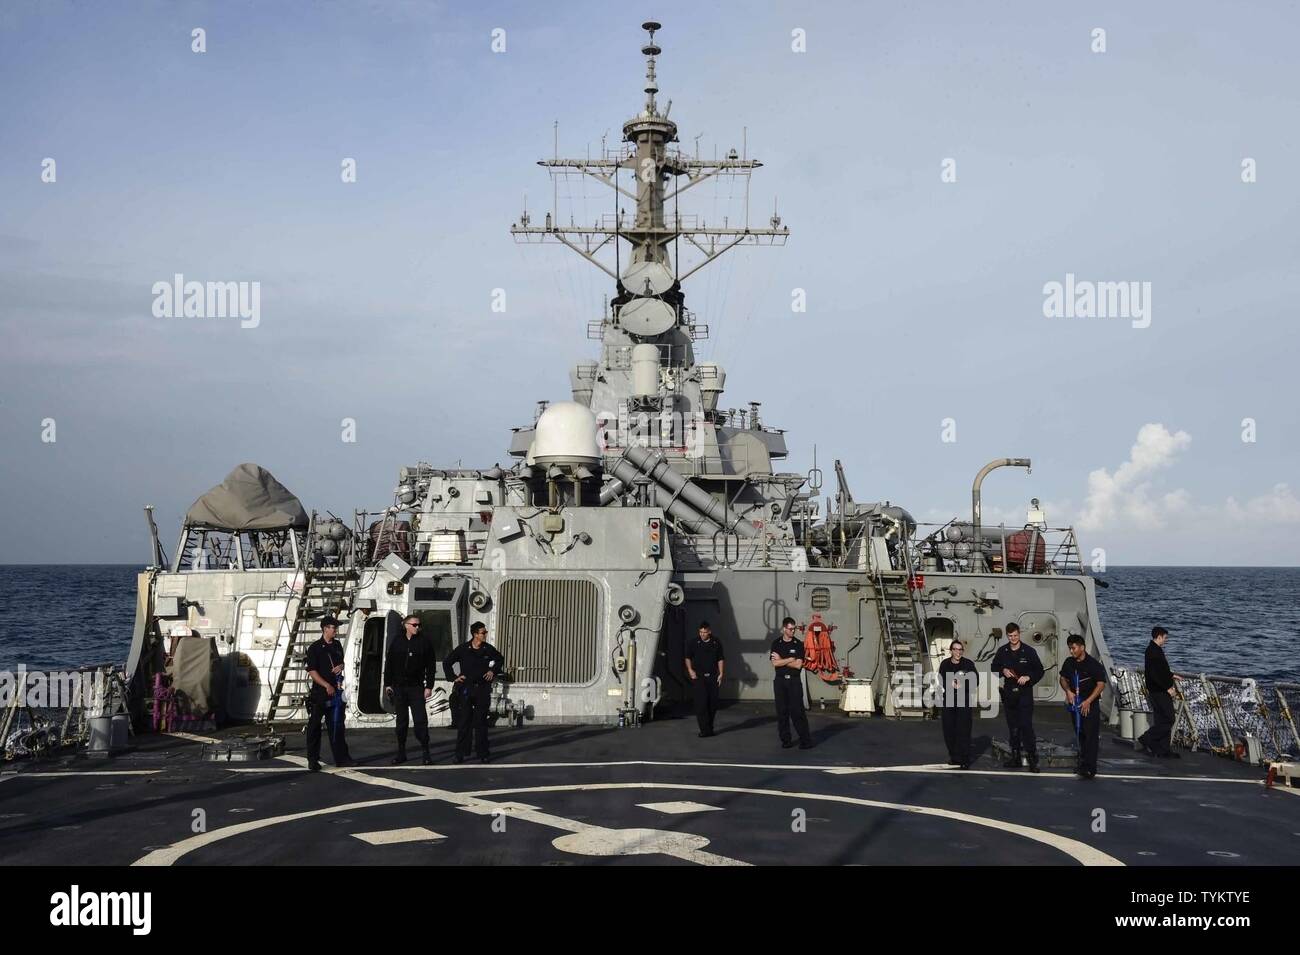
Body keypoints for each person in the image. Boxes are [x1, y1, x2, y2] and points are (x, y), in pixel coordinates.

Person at [442, 622, 505, 763]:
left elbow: (500, 659)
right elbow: (447, 662)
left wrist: (492, 671)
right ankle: (461, 753)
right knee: (464, 722)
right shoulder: (463, 649)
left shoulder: (488, 649)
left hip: (482, 689)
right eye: (483, 632)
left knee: (481, 722)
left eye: (486, 632)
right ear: (475, 634)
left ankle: (483, 753)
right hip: (466, 688)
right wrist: (454, 677)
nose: (485, 634)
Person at [384, 614, 438, 765]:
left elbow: (431, 666)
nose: (417, 627)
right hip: (399, 688)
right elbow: (389, 664)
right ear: (406, 625)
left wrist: (429, 686)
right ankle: (401, 752)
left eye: (419, 625)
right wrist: (387, 684)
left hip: (416, 688)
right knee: (401, 722)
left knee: (421, 721)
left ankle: (426, 752)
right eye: (414, 625)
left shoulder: (425, 642)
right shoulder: (397, 641)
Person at [990, 622, 1043, 772]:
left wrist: (1028, 677)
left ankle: (1033, 759)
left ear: (1019, 634)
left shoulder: (1029, 651)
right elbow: (994, 667)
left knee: (1026, 726)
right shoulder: (1003, 651)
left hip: (1024, 693)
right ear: (1007, 636)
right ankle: (1015, 758)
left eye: (1015, 635)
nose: (1013, 638)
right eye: (1010, 636)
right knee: (1013, 727)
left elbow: (1039, 671)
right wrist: (1003, 670)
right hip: (1009, 693)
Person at [304, 616, 354, 771]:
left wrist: (341, 666)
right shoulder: (315, 648)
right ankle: (313, 760)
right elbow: (312, 671)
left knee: (337, 726)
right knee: (314, 727)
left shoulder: (337, 645)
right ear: (325, 628)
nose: (336, 630)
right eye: (333, 627)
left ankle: (342, 758)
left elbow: (341, 662)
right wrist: (326, 685)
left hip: (336, 692)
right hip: (320, 693)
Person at [1060, 634, 1108, 779]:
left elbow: (1101, 684)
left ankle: (1090, 768)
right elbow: (1063, 678)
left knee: (1090, 736)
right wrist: (1068, 691)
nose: (1071, 651)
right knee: (1080, 734)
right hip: (1075, 703)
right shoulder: (1069, 662)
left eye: (1073, 648)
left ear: (1082, 647)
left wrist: (1088, 701)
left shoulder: (1093, 665)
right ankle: (1082, 764)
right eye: (1070, 648)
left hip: (1089, 705)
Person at [771, 617, 813, 750]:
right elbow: (774, 663)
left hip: (794, 682)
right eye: (790, 629)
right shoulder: (776, 643)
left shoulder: (798, 644)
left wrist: (783, 659)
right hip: (780, 681)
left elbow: (798, 665)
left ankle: (805, 740)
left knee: (797, 711)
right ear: (784, 629)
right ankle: (786, 740)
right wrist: (790, 659)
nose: (793, 631)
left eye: (794, 628)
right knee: (782, 712)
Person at [1138, 625, 1178, 758]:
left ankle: (1163, 750)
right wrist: (1167, 688)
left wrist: (1171, 675)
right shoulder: (1154, 652)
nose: (1165, 640)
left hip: (1155, 691)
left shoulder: (1153, 650)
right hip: (1159, 691)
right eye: (1165, 638)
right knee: (1169, 719)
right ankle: (1147, 737)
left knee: (1161, 720)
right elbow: (1155, 674)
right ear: (1159, 636)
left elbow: (1160, 670)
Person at [937, 639, 977, 769]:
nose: (958, 652)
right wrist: (950, 684)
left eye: (960, 650)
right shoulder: (945, 664)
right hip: (948, 701)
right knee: (949, 730)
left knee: (963, 730)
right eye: (955, 649)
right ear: (951, 651)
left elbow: (975, 680)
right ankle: (954, 757)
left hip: (963, 701)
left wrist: (963, 684)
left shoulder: (968, 664)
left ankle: (964, 759)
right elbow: (941, 680)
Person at [684, 621, 725, 737]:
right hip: (699, 677)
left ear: (709, 632)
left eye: (705, 632)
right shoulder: (693, 643)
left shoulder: (716, 642)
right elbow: (687, 657)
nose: (702, 634)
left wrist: (721, 673)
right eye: (700, 632)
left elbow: (720, 659)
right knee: (701, 704)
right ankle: (704, 730)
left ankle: (709, 728)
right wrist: (690, 670)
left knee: (712, 704)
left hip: (712, 677)